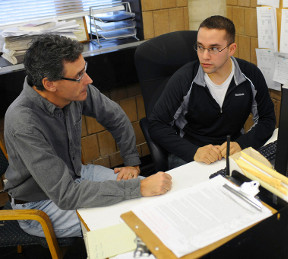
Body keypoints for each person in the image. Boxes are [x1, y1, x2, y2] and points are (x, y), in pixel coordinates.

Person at [4, 34, 172, 238]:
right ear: (49, 84)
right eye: (78, 76)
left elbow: (116, 117)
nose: (88, 80)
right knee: (126, 222)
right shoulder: (23, 121)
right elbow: (65, 196)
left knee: (155, 197)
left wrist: (131, 162)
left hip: (78, 175)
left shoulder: (75, 91)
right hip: (41, 203)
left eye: (85, 70)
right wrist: (138, 187)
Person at [148, 15, 276, 169]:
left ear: (231, 49)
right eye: (200, 47)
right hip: (192, 153)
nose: (204, 56)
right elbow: (156, 124)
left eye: (214, 48)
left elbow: (267, 119)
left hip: (233, 150)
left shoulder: (250, 75)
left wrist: (242, 144)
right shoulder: (184, 78)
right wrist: (194, 151)